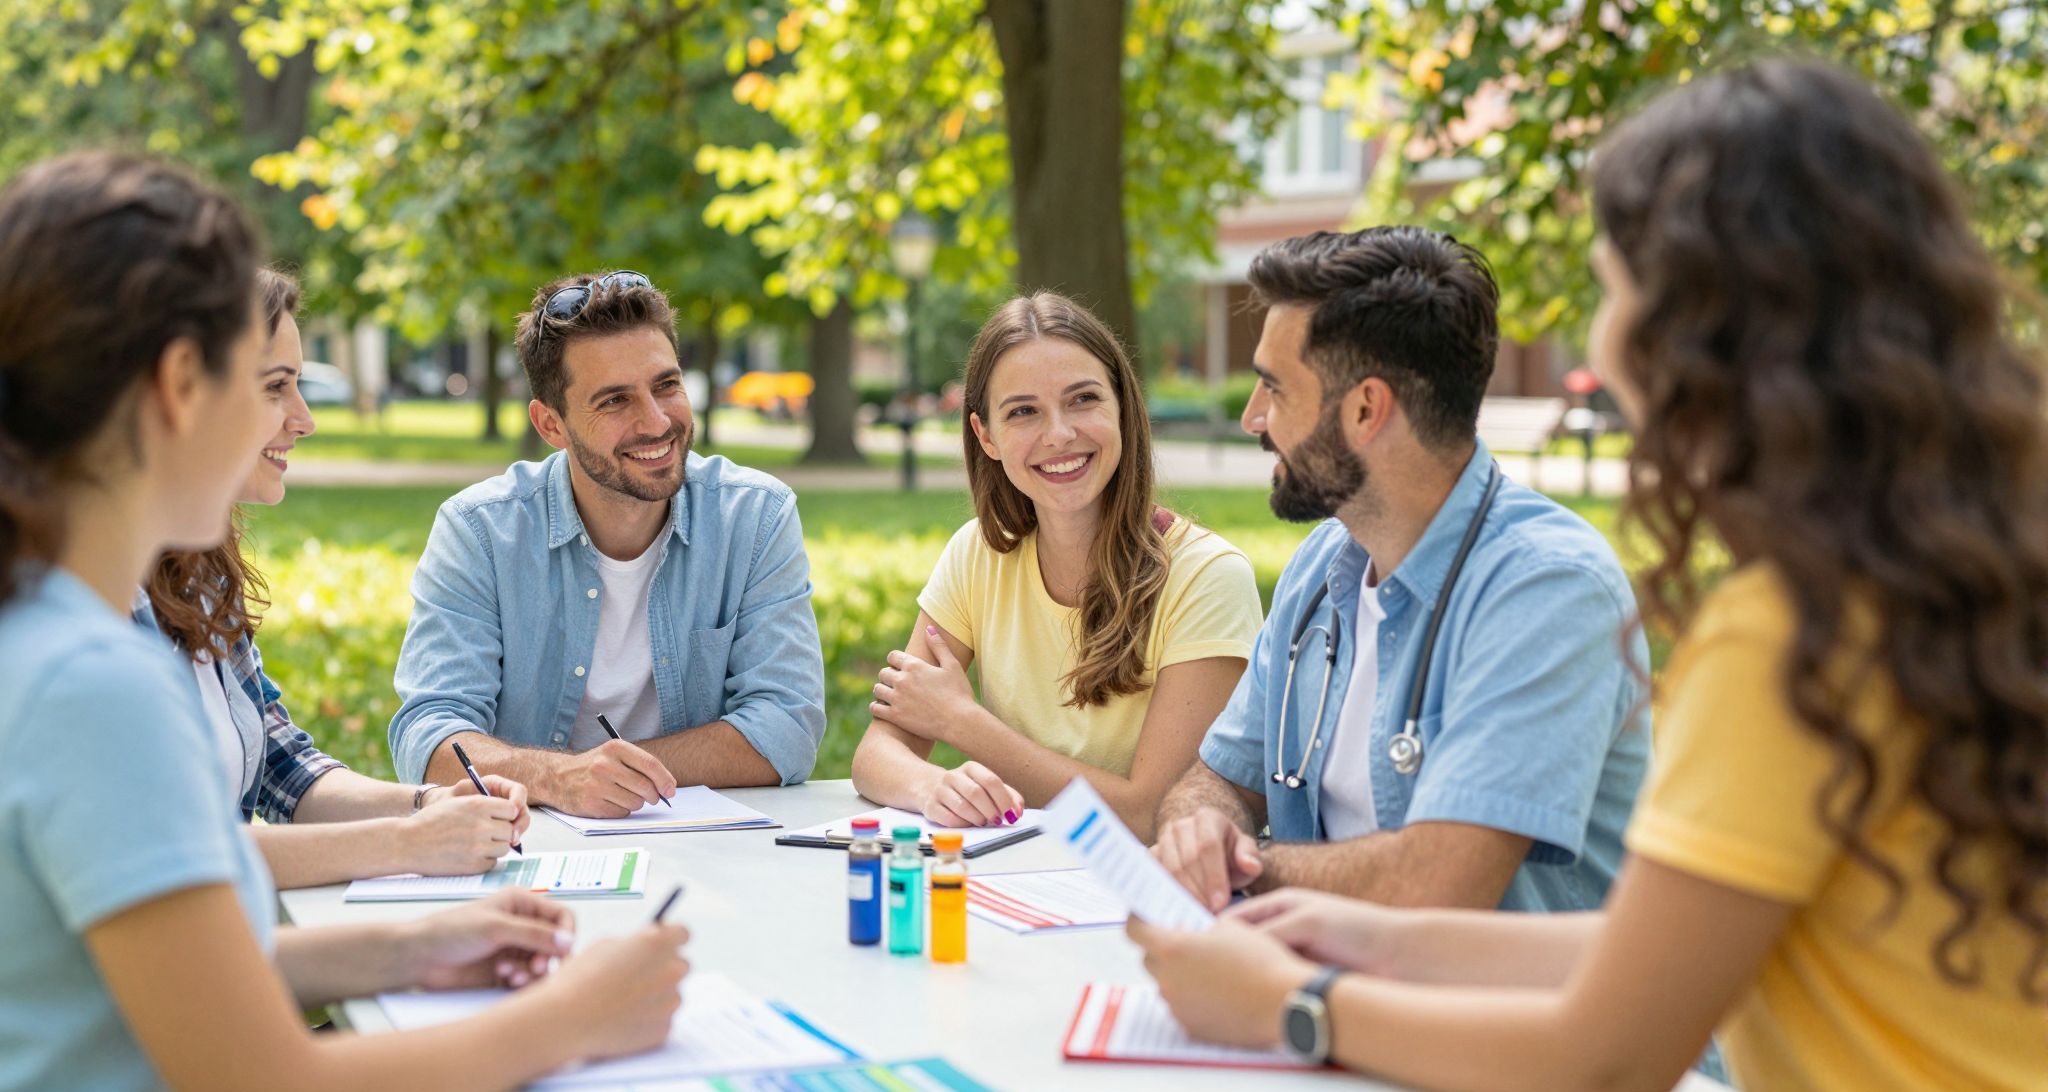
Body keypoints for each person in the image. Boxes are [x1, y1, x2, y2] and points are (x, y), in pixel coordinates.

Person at [1128, 61, 2048, 1092]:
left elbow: (1605, 1059)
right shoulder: (1936, 587)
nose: (1602, 343)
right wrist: (1345, 934)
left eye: (1614, 292)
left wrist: (1291, 1006)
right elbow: (1653, 949)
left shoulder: (1786, 637)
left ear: (1697, 334)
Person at [0, 151, 689, 1092]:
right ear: (180, 384)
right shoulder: (91, 687)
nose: (300, 418)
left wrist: (418, 944)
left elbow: (156, 989)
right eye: (263, 379)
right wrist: (575, 1017)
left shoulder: (53, 639)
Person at [1151, 226, 1648, 916]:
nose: (1251, 417)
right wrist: (1200, 827)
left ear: (1365, 409)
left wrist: (1243, 867)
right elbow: (1214, 781)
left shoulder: (1549, 590)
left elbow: (1441, 883)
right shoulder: (1320, 571)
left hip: (1500, 1017)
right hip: (1332, 991)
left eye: (1273, 388)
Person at [138, 268, 530, 889]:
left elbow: (280, 765)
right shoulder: (99, 597)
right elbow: (168, 853)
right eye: (276, 387)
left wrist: (427, 805)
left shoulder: (199, 573)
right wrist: (407, 842)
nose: (304, 418)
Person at [388, 270, 826, 816]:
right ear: (551, 424)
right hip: (528, 848)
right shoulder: (480, 531)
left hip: (707, 849)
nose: (657, 421)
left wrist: (609, 775)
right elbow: (428, 735)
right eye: (615, 401)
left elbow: (786, 725)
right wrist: (560, 779)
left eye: (666, 385)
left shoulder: (755, 516)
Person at [850, 293, 1262, 834]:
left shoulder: (1208, 578)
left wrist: (962, 722)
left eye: (1083, 400)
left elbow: (1155, 815)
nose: (1059, 434)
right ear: (986, 437)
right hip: (1014, 879)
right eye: (1023, 411)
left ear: (1123, 408)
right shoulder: (977, 555)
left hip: (1142, 900)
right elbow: (877, 754)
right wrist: (933, 787)